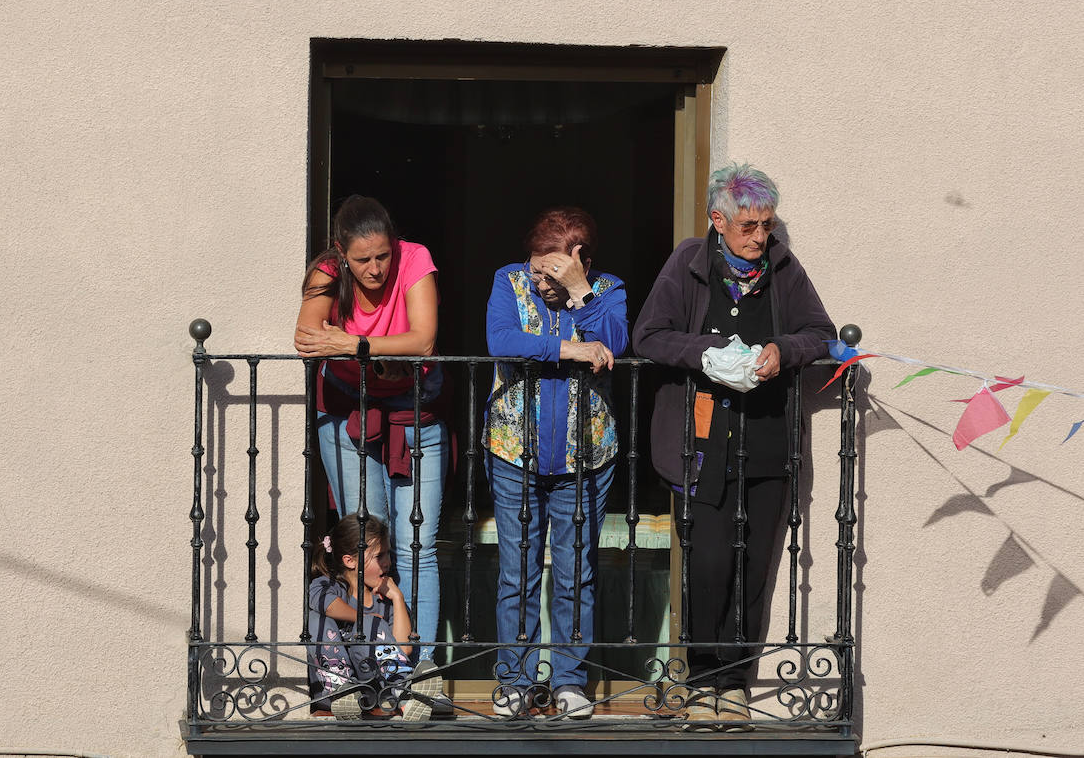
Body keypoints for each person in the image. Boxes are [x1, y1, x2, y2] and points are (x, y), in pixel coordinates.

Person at [633, 162, 835, 725]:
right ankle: (700, 679)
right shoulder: (688, 262)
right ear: (717, 220)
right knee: (710, 564)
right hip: (702, 444)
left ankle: (735, 684)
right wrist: (704, 353)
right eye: (748, 226)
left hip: (768, 444)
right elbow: (648, 335)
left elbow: (819, 332)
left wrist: (781, 351)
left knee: (754, 567)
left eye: (766, 225)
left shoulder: (783, 269)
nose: (759, 237)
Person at [482, 207, 628, 719]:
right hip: (512, 451)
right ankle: (516, 681)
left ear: (580, 262)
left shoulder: (607, 290)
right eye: (537, 267)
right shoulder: (509, 281)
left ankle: (569, 681)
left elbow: (615, 340)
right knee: (517, 573)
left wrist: (580, 293)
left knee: (574, 573)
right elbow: (500, 339)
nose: (540, 280)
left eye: (553, 271)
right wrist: (567, 347)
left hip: (585, 456)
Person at [294, 195, 448, 663]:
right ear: (341, 253)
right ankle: (371, 664)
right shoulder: (327, 270)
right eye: (362, 260)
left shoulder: (415, 258)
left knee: (417, 544)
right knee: (368, 547)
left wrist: (354, 343)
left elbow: (422, 340)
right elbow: (305, 338)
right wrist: (377, 352)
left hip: (414, 407)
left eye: (383, 255)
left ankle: (418, 668)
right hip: (347, 409)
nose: (376, 268)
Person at [307, 514, 441, 720]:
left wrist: (397, 597)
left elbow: (404, 648)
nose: (387, 562)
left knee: (373, 624)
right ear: (349, 561)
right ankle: (341, 689)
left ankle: (404, 695)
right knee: (317, 618)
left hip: (376, 688)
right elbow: (324, 603)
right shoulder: (329, 585)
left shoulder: (385, 601)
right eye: (380, 556)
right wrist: (364, 619)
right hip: (335, 692)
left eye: (388, 554)